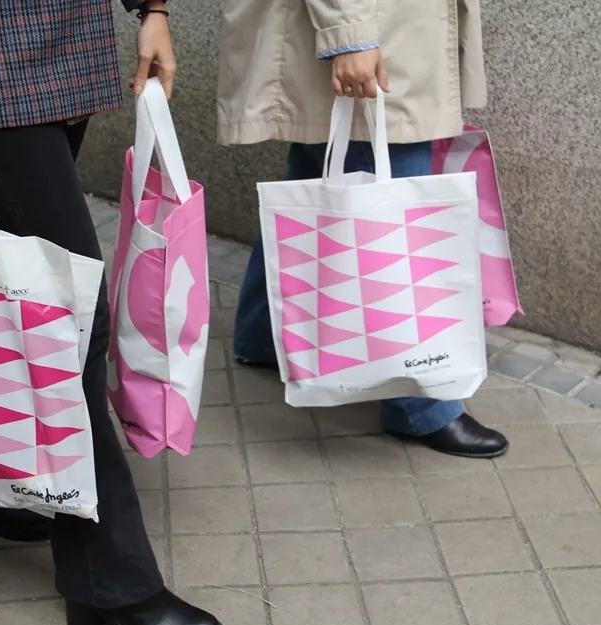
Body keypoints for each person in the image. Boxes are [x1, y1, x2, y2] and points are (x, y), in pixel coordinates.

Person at [0, 1, 221, 625]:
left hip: (65, 51)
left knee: (18, 295)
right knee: (69, 324)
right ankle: (109, 585)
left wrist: (152, 8)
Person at [217, 0, 509, 459]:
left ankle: (265, 335)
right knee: (393, 197)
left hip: (378, 27)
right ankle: (418, 405)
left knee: (318, 178)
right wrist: (350, 34)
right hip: (376, 30)